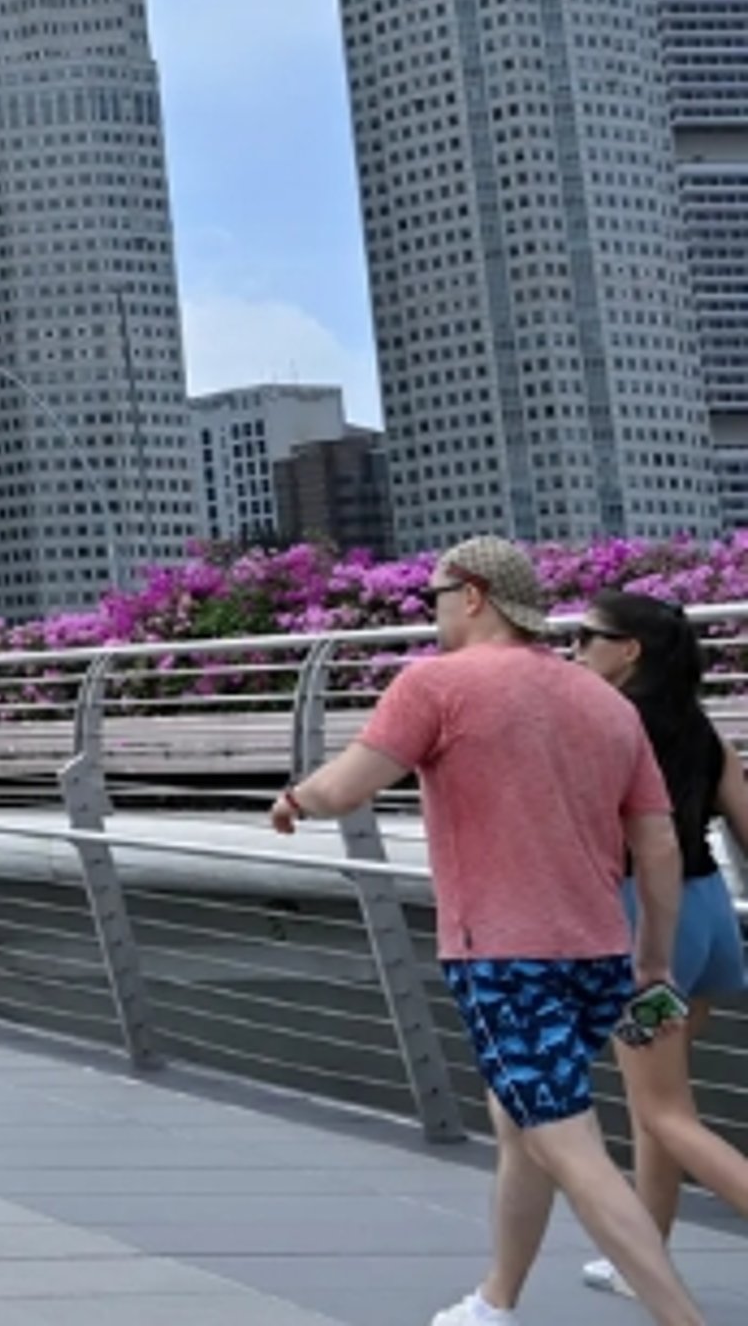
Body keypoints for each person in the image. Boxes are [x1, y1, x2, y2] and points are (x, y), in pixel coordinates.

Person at [272, 539, 704, 1326]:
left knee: (571, 1148)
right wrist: (652, 961)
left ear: (473, 595)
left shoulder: (436, 685)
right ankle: (496, 1301)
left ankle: (684, 1319)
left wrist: (296, 799)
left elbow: (347, 787)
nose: (427, 610)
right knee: (522, 1127)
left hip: (506, 957)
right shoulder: (607, 703)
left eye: (434, 595)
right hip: (600, 949)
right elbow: (660, 845)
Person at [572, 589, 748, 1300]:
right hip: (707, 921)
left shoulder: (605, 727)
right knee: (657, 1103)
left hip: (643, 925)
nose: (574, 650)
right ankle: (642, 1256)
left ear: (628, 651)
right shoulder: (701, 729)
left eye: (587, 637)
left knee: (669, 1114)